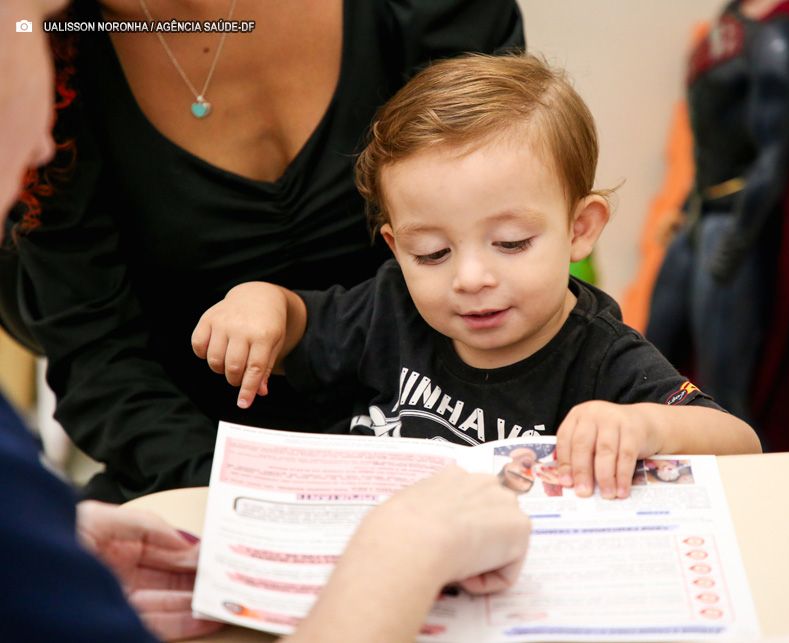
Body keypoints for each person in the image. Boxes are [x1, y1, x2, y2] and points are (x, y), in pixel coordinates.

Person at [1, 4, 532, 640]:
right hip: (195, 481)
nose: (38, 148)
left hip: (445, 447)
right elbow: (97, 355)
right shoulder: (52, 42)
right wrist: (257, 510)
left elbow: (507, 227)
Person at [193, 53, 763, 502]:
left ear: (580, 229)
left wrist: (641, 426)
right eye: (432, 253)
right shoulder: (392, 306)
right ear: (395, 246)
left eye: (511, 243)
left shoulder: (600, 357)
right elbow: (298, 324)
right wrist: (259, 301)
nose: (469, 278)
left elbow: (743, 445)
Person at [645, 0, 789, 450]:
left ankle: (741, 493)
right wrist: (686, 208)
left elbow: (773, 157)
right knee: (650, 351)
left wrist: (738, 239)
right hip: (701, 214)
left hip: (734, 221)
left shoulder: (780, 37)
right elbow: (713, 141)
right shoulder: (731, 24)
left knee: (723, 382)